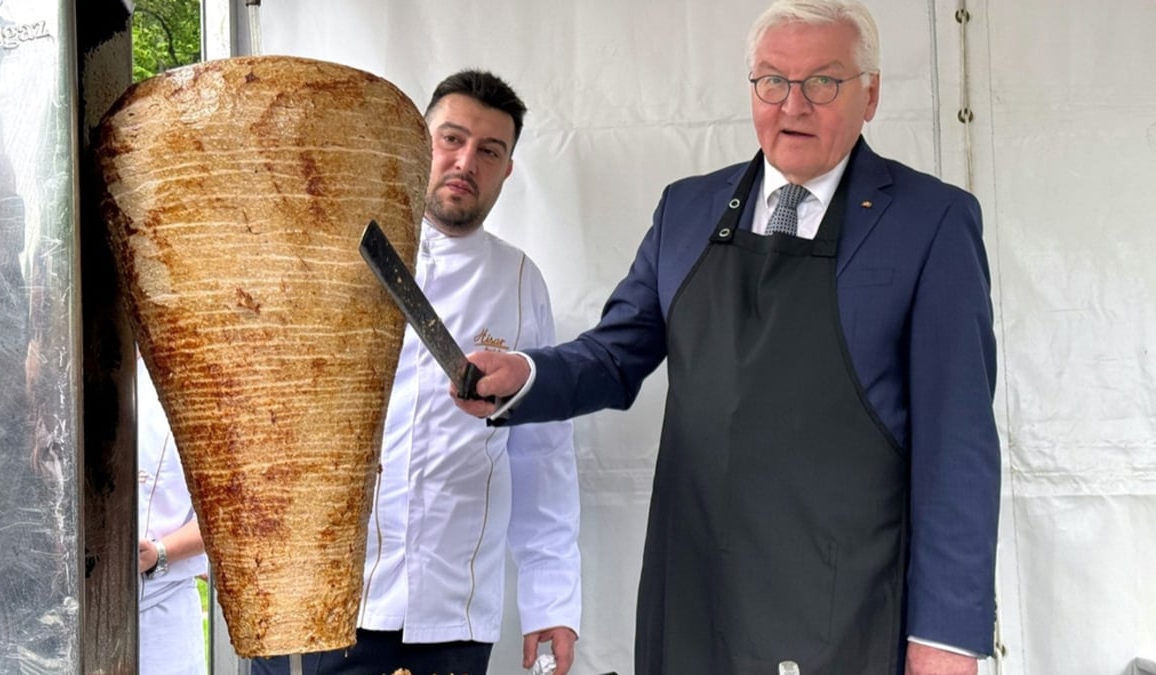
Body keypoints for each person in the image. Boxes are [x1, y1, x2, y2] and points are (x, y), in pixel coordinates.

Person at [454, 2, 1001, 674]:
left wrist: (945, 637)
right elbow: (614, 355)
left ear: (871, 94)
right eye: (773, 81)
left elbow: (959, 443)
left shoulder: (930, 220)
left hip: (843, 602)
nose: (793, 104)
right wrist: (526, 378)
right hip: (695, 594)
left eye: (823, 82)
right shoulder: (688, 208)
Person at [252, 70, 581, 675]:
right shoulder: (333, 253)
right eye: (450, 140)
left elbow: (543, 457)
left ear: (507, 169)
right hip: (320, 601)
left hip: (450, 611)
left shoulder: (518, 281)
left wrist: (551, 601)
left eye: (489, 150)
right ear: (417, 142)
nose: (465, 162)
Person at [137, 353, 210, 675]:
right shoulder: (59, 361)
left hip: (163, 614)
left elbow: (227, 514)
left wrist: (160, 553)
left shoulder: (196, 379)